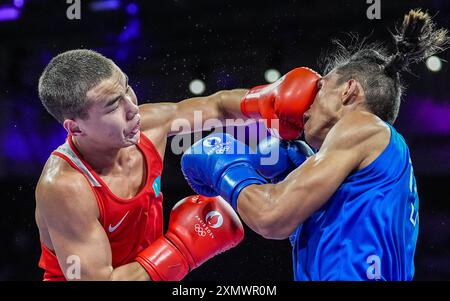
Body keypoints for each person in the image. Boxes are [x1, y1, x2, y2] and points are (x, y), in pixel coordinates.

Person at [180, 9, 449, 280]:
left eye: (320, 88)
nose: (307, 105)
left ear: (349, 91)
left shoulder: (363, 125)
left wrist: (224, 165)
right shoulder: (379, 161)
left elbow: (270, 215)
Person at [35, 49, 319, 280]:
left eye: (127, 89)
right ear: (76, 129)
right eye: (112, 106)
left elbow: (217, 107)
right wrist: (180, 248)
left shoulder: (147, 125)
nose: (133, 108)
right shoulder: (66, 187)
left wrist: (266, 100)